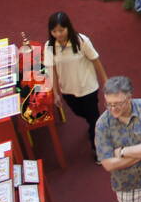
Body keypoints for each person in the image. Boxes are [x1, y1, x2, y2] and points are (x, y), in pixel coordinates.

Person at [44, 11, 109, 158]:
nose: (58, 34)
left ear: (68, 27)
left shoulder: (81, 40)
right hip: (68, 89)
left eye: (61, 30)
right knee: (80, 113)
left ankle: (98, 149)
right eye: (54, 31)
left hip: (88, 87)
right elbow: (51, 70)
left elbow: (95, 60)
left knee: (93, 119)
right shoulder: (49, 46)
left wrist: (105, 80)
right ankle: (97, 125)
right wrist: (55, 93)